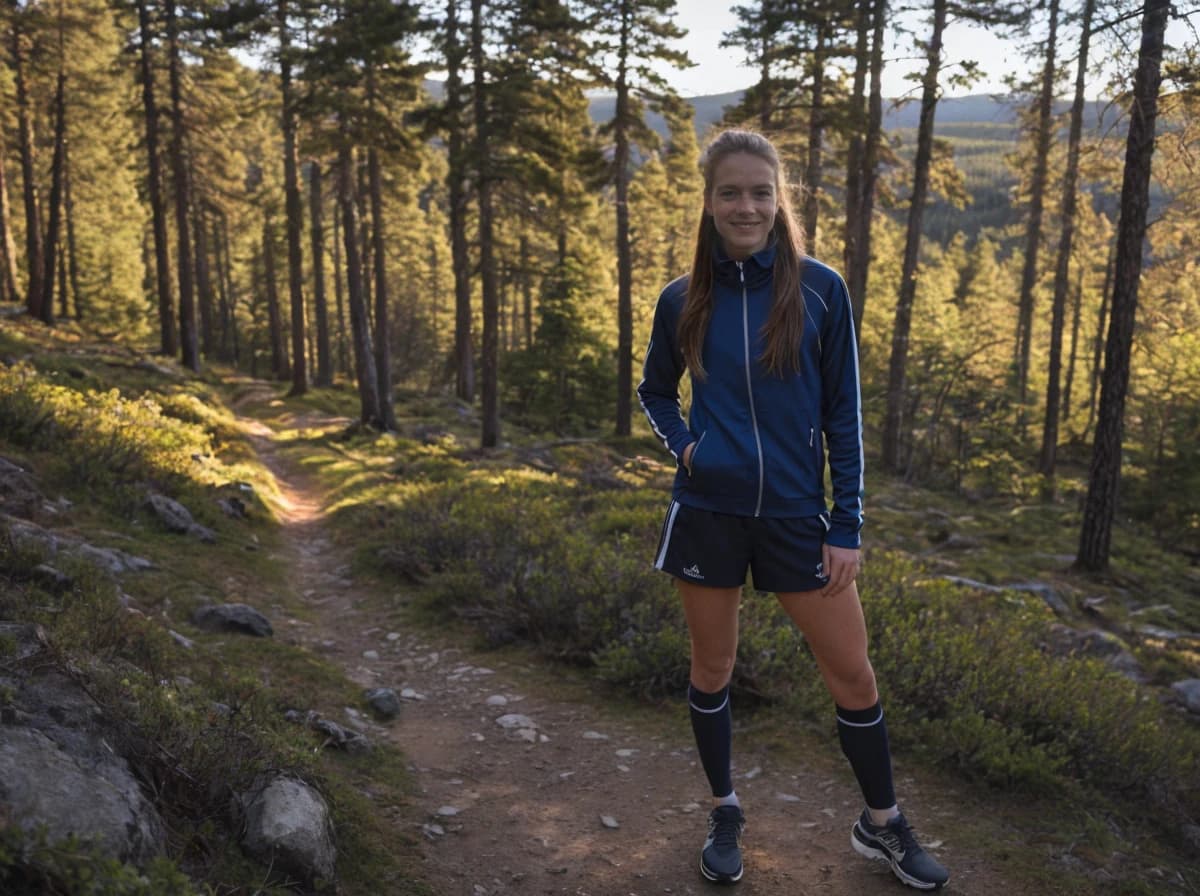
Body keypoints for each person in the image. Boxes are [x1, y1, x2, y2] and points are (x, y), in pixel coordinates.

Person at [636, 129, 949, 891]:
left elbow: (844, 413)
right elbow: (653, 392)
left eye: (760, 192)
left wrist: (847, 525)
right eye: (730, 192)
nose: (746, 205)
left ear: (780, 201)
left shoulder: (820, 289)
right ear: (709, 204)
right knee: (712, 666)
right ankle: (724, 808)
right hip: (707, 510)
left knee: (853, 675)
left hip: (797, 517)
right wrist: (687, 447)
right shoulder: (682, 297)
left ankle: (881, 824)